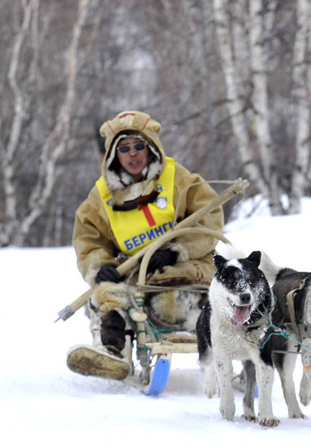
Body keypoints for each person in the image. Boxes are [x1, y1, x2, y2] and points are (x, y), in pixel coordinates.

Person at [66, 110, 224, 380]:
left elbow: (209, 219)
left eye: (139, 146)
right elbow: (88, 239)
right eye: (124, 148)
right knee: (106, 297)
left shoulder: (179, 178)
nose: (133, 154)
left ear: (151, 148)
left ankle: (226, 348)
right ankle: (111, 349)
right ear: (114, 155)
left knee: (198, 298)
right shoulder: (102, 196)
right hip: (134, 273)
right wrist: (101, 267)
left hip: (187, 269)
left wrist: (177, 252)